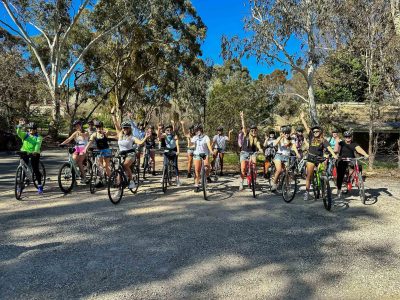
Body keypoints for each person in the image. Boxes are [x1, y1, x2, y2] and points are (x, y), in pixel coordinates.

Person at [301, 112, 337, 201]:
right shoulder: (311, 137)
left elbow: (329, 147)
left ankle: (323, 189)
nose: (315, 132)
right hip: (311, 158)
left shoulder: (323, 140)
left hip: (320, 159)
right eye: (314, 131)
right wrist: (302, 119)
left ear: (320, 132)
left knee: (323, 174)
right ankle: (307, 192)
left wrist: (334, 155)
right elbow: (306, 127)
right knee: (309, 176)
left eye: (317, 131)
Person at [111, 114, 149, 189]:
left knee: (125, 165)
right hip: (121, 153)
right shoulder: (120, 135)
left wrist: (146, 137)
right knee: (118, 169)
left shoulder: (132, 137)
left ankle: (131, 181)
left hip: (130, 154)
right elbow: (115, 124)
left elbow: (140, 143)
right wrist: (113, 115)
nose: (125, 129)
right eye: (124, 128)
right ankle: (119, 187)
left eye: (127, 128)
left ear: (129, 129)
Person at [334, 131, 369, 199]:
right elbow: (337, 150)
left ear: (351, 137)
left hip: (351, 159)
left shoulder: (354, 144)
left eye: (349, 137)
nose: (348, 138)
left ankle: (358, 179)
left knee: (358, 166)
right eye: (346, 137)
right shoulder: (341, 143)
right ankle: (339, 190)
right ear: (344, 137)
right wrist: (337, 143)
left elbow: (359, 149)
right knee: (341, 174)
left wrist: (365, 154)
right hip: (342, 159)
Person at [16, 120, 43, 194]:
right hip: (24, 152)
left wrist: (35, 151)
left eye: (32, 129)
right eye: (29, 129)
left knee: (35, 168)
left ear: (35, 130)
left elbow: (38, 145)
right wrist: (19, 126)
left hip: (34, 153)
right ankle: (21, 185)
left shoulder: (38, 137)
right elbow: (18, 133)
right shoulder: (25, 135)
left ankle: (40, 186)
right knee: (23, 168)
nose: (30, 130)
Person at [239, 111, 263, 191]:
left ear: (256, 131)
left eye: (255, 130)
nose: (253, 132)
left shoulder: (257, 138)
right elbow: (244, 126)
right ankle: (241, 183)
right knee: (243, 169)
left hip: (253, 153)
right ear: (250, 131)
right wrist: (242, 118)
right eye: (252, 130)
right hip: (244, 153)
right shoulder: (246, 135)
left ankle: (253, 180)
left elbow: (258, 144)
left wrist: (260, 149)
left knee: (254, 166)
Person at [271, 126, 300, 191]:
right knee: (279, 170)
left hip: (287, 157)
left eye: (288, 133)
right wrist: (280, 137)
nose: (286, 134)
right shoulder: (280, 138)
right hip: (279, 156)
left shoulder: (291, 140)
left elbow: (294, 148)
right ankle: (274, 184)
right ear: (283, 133)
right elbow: (274, 144)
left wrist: (297, 154)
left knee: (287, 172)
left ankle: (287, 187)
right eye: (285, 133)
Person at [191, 124, 213, 192]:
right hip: (197, 154)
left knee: (206, 166)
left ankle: (207, 176)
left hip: (204, 154)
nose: (197, 131)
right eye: (196, 130)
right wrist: (190, 147)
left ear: (201, 130)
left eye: (198, 130)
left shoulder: (206, 137)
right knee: (197, 170)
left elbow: (209, 145)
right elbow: (193, 145)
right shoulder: (195, 137)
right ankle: (197, 185)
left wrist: (211, 151)